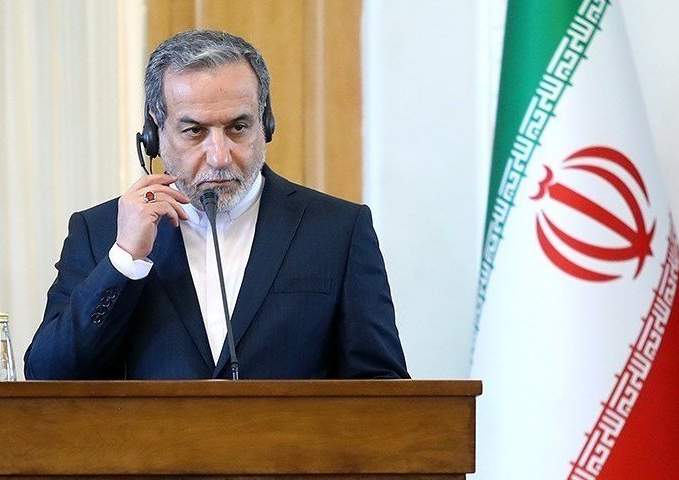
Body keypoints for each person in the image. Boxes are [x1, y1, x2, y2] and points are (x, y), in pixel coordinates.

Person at [24, 29, 409, 380]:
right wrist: (124, 261)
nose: (220, 156)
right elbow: (47, 377)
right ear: (154, 132)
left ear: (265, 123)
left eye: (238, 128)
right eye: (195, 131)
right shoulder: (99, 233)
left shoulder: (338, 230)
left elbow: (382, 390)